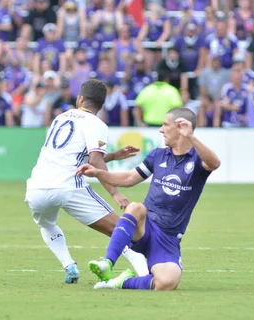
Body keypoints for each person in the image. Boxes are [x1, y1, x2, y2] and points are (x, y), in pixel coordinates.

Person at [77, 107, 221, 290]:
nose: (161, 129)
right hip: (144, 228)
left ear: (180, 128)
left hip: (168, 238)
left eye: (165, 125)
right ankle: (107, 263)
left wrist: (191, 137)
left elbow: (214, 163)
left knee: (168, 283)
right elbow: (129, 178)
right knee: (136, 208)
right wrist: (98, 173)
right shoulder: (158, 155)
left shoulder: (198, 160)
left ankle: (122, 282)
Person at [25, 79, 149, 284]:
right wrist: (115, 192)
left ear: (80, 98)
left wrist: (113, 156)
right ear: (102, 106)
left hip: (36, 187)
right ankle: (145, 274)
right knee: (119, 229)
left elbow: (75, 156)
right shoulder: (96, 123)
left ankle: (69, 266)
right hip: (68, 186)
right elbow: (94, 160)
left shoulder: (60, 118)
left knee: (47, 225)